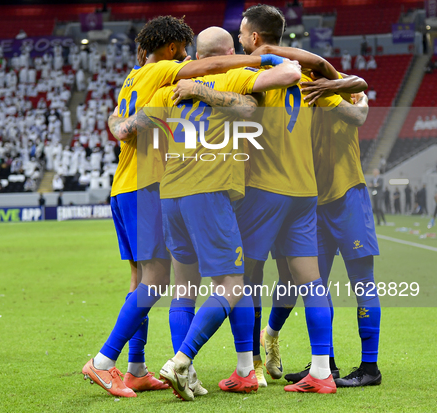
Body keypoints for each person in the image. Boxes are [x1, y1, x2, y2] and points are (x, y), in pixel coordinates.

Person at [83, 15, 285, 398]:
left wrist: (115, 118)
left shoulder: (139, 78)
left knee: (154, 283)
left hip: (137, 186)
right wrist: (262, 59)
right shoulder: (171, 72)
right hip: (155, 185)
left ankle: (136, 368)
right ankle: (107, 361)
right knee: (175, 282)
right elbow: (214, 68)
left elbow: (122, 129)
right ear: (176, 49)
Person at [181, 5, 366, 394]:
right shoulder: (309, 80)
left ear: (254, 39)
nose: (241, 41)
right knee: (311, 282)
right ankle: (320, 373)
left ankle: (243, 370)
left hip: (264, 190)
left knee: (242, 280)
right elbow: (354, 111)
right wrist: (340, 85)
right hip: (305, 193)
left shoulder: (252, 75)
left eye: (243, 35)